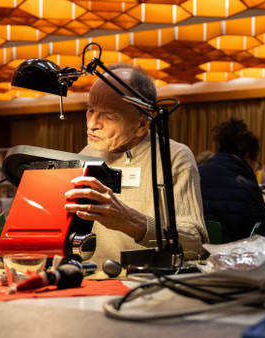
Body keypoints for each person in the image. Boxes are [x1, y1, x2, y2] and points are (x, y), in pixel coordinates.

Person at [63, 63, 208, 267]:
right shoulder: (87, 154)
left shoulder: (175, 157)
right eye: (90, 110)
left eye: (108, 116)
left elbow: (194, 245)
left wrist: (130, 221)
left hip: (144, 281)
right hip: (90, 278)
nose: (91, 124)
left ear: (142, 124)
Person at [198, 118, 265, 243]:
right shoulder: (247, 185)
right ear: (247, 157)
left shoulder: (196, 173)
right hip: (235, 256)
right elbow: (264, 234)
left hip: (196, 254)